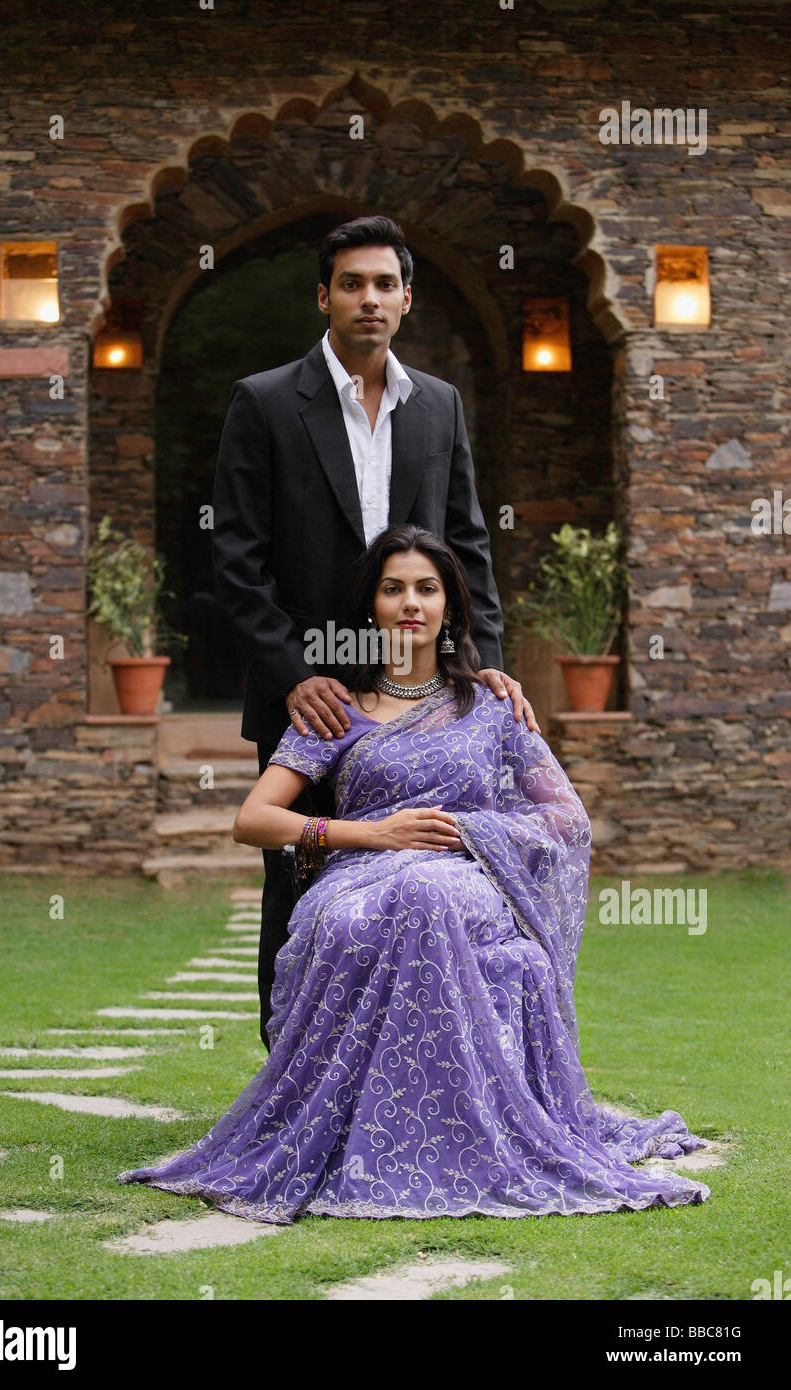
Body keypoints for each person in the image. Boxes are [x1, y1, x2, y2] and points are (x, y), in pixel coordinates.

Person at [117, 525, 711, 1223]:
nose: (409, 603)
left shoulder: (493, 706)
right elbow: (254, 818)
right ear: (371, 607)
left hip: (462, 875)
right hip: (356, 872)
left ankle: (462, 1137)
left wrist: (470, 831)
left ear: (450, 608)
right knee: (341, 919)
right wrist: (368, 833)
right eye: (392, 588)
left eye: (426, 589)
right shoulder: (333, 708)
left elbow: (567, 821)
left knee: (427, 889)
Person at [212, 214, 537, 1052]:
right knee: (301, 878)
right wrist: (293, 674)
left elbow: (466, 547)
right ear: (324, 296)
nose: (369, 298)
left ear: (406, 300)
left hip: (421, 697)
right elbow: (236, 559)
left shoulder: (438, 405)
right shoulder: (266, 401)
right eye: (351, 283)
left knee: (427, 878)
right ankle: (290, 1076)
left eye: (384, 284)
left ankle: (415, 1072)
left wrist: (484, 671)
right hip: (313, 697)